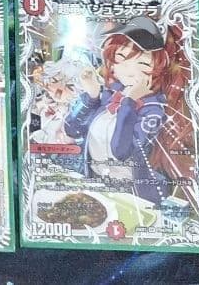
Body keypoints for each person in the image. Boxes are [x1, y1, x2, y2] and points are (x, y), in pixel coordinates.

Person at [63, 15, 192, 207]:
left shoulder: (153, 110)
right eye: (121, 59)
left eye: (143, 64)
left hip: (135, 197)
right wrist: (91, 96)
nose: (130, 70)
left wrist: (129, 103)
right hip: (97, 187)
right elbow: (72, 130)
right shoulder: (109, 95)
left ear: (157, 69)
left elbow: (121, 151)